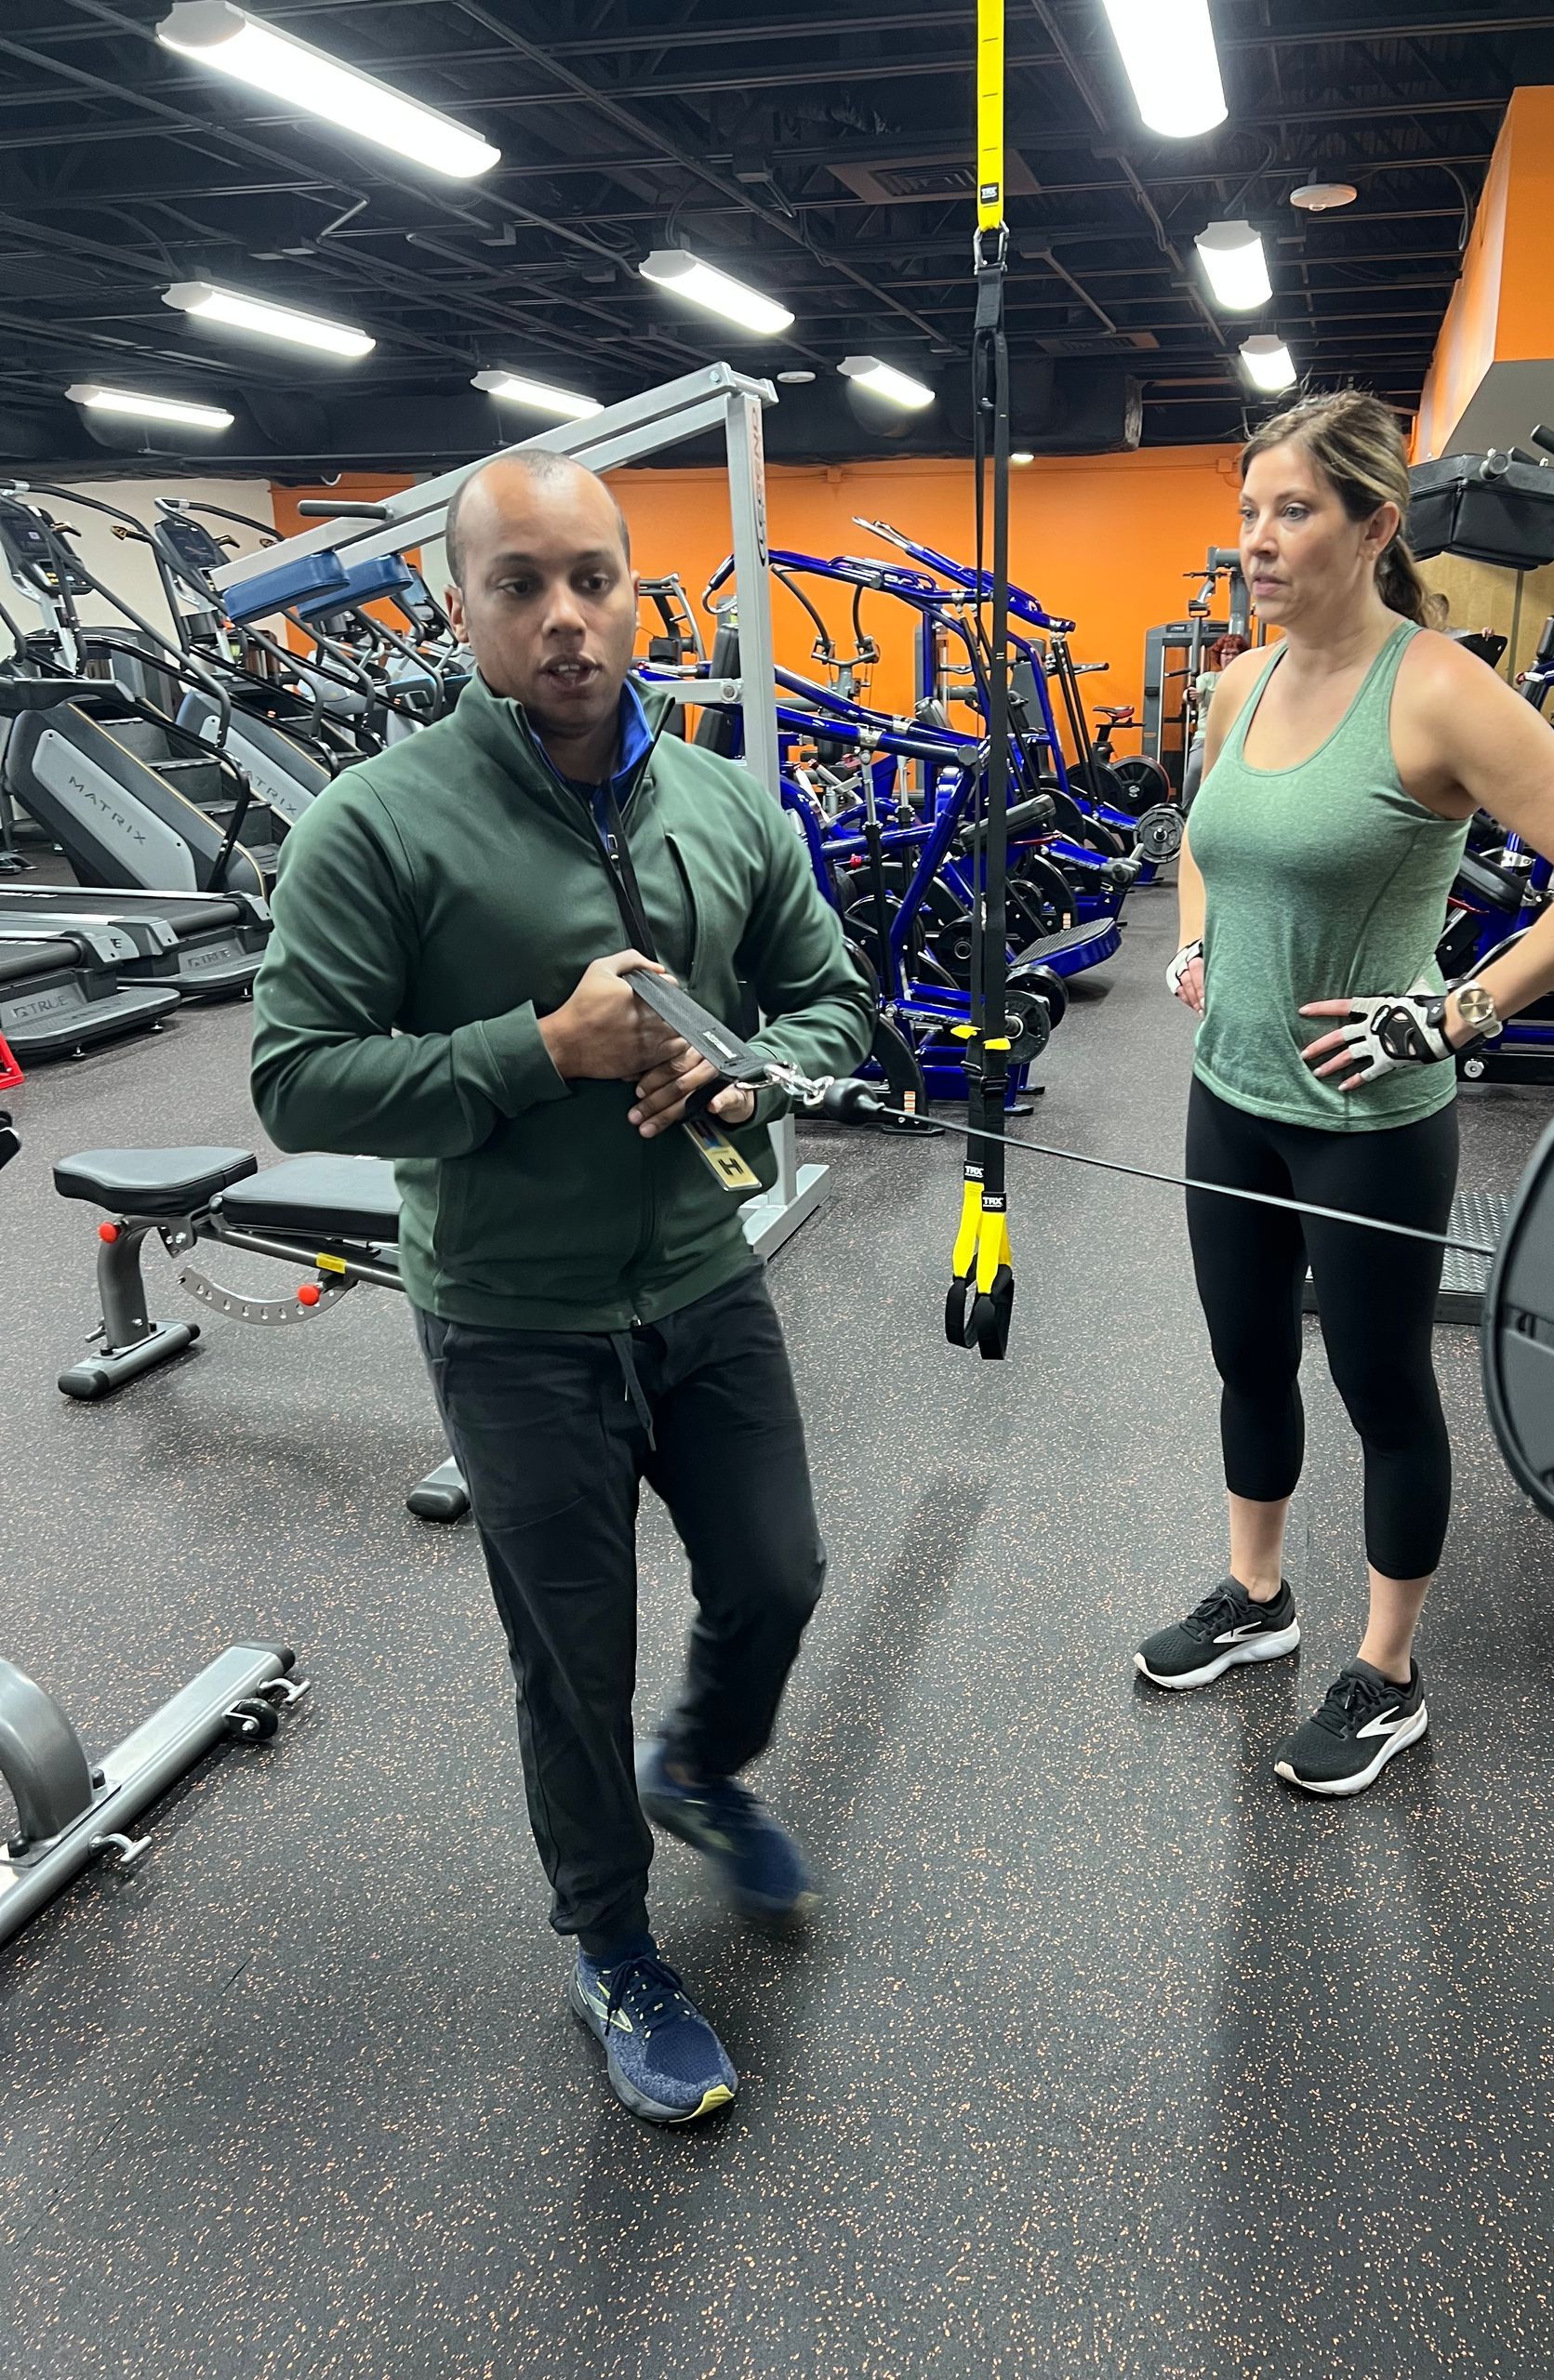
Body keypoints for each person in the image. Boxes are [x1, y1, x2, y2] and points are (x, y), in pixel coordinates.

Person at [251, 450, 875, 2124]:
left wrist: (759, 1078)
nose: (566, 619)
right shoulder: (373, 823)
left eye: (592, 578)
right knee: (570, 1654)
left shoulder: (733, 805)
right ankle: (608, 1942)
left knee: (779, 1576)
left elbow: (832, 1001)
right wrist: (540, 1051)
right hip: (513, 1316)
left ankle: (703, 1765)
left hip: (697, 1274)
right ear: (461, 607)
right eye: (519, 585)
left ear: (635, 589)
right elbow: (296, 1081)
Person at [1135, 390, 1554, 1795]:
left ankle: (1386, 1674)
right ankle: (1258, 1599)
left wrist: (1456, 1014)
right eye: (1249, 511)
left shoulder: (1435, 689)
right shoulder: (1242, 682)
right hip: (1229, 1093)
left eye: (1292, 511)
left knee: (1380, 1391)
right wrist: (1196, 937)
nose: (1258, 539)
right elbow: (1207, 839)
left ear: (1375, 527)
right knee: (1247, 1358)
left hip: (1370, 1124)